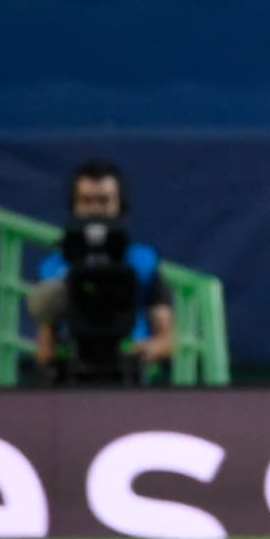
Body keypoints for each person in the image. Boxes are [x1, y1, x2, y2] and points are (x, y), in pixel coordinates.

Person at [29, 159, 174, 385]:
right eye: (86, 201)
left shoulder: (143, 261)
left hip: (130, 379)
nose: (96, 209)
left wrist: (144, 351)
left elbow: (167, 338)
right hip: (72, 378)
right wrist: (50, 371)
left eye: (104, 201)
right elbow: (44, 345)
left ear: (120, 204)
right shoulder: (52, 268)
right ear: (74, 205)